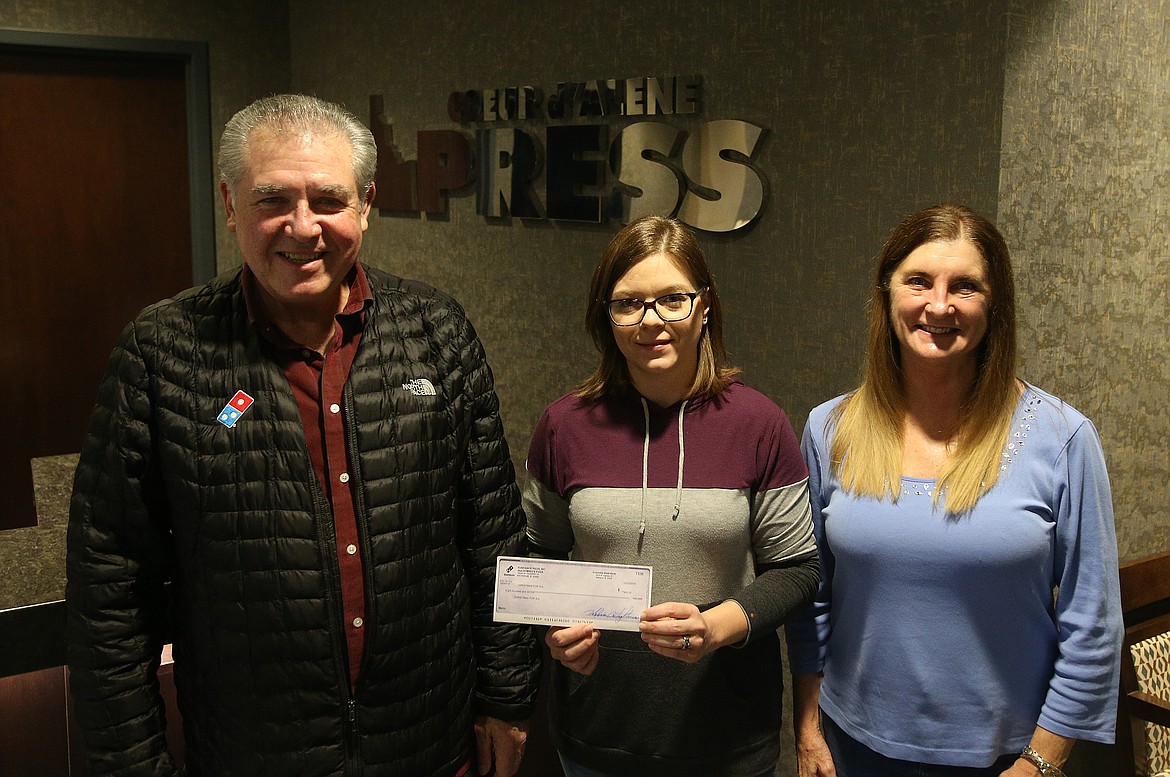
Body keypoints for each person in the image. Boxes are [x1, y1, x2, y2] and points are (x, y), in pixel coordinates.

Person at [65, 94, 540, 777]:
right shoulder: (162, 352)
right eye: (272, 200)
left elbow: (492, 532)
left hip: (428, 744)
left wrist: (507, 694)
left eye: (327, 198)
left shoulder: (437, 330)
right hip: (252, 752)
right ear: (231, 205)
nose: (302, 226)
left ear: (366, 204)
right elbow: (110, 586)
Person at [785, 203, 1122, 777]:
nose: (938, 305)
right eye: (918, 281)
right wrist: (808, 726)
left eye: (964, 287)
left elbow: (1092, 622)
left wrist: (1041, 761)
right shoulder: (829, 428)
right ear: (887, 296)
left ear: (995, 308)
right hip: (851, 747)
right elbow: (812, 595)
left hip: (1002, 758)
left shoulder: (1063, 439)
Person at [522, 215, 820, 777]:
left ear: (705, 306)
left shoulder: (759, 423)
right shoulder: (564, 425)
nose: (650, 321)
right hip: (596, 731)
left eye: (672, 300)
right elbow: (539, 558)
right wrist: (554, 628)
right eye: (628, 303)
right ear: (606, 317)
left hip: (725, 732)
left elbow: (798, 570)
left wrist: (717, 627)